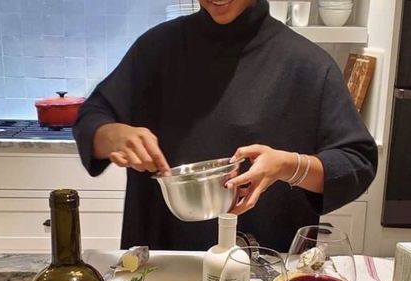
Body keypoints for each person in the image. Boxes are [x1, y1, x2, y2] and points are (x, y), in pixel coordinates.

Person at [73, 0, 377, 252]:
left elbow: (357, 162)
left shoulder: (307, 64)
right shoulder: (155, 49)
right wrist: (112, 136)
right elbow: (92, 117)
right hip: (160, 270)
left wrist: (289, 166)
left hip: (263, 277)